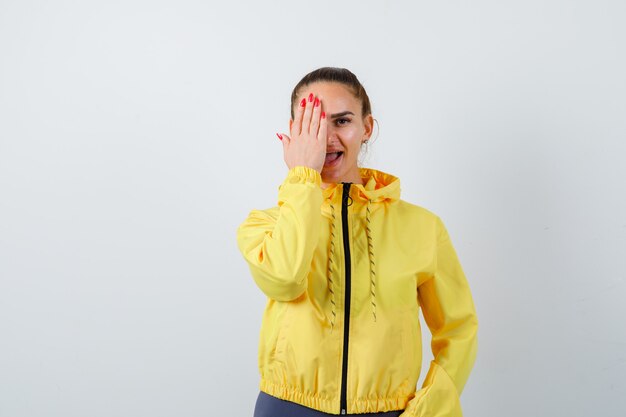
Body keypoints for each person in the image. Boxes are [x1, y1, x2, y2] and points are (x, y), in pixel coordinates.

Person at [236, 67, 478, 417]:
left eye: (342, 121)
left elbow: (459, 329)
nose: (327, 138)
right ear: (295, 133)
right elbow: (285, 280)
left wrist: (429, 409)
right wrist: (302, 177)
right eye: (313, 123)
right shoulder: (265, 224)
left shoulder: (423, 227)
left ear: (366, 128)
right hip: (288, 408)